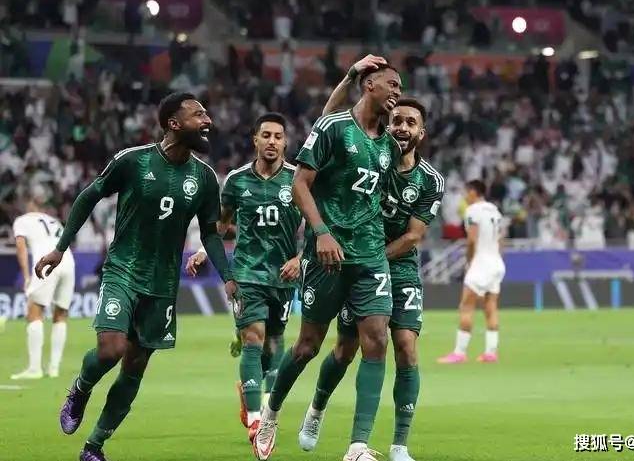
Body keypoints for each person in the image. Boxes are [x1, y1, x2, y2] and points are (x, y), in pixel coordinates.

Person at [34, 92, 234, 461]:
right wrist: (61, 247)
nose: (208, 120)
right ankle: (81, 388)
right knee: (112, 349)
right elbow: (89, 196)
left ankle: (94, 447)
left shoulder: (205, 178)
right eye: (198, 114)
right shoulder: (134, 160)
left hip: (163, 285)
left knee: (135, 367)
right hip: (123, 271)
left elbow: (210, 232)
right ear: (174, 123)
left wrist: (228, 277)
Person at [252, 60, 403, 461]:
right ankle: (272, 410)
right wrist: (320, 233)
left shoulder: (389, 145)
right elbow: (300, 183)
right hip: (327, 256)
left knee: (376, 341)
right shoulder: (335, 127)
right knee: (307, 347)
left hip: (369, 255)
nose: (397, 92)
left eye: (400, 88)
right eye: (391, 84)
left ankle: (357, 446)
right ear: (369, 85)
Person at [296, 57, 444, 461]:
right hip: (355, 258)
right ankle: (316, 409)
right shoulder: (370, 149)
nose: (403, 127)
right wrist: (349, 76)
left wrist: (372, 257)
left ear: (421, 133)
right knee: (345, 350)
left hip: (395, 263)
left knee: (406, 347)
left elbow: (413, 236)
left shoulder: (430, 181)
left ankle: (398, 445)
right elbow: (327, 122)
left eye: (411, 123)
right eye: (398, 121)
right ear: (388, 123)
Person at [185, 112, 302, 442]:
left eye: (278, 136)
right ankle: (256, 419)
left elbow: (317, 224)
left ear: (285, 143)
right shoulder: (236, 180)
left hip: (283, 275)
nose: (272, 141)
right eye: (266, 135)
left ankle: (250, 395)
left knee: (274, 343)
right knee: (254, 339)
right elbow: (221, 224)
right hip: (247, 273)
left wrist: (300, 259)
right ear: (255, 140)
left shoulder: (298, 179)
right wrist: (203, 251)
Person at [438, 180, 505, 364]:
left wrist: (470, 260)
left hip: (481, 263)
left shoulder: (473, 211)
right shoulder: (494, 210)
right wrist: (497, 258)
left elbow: (472, 239)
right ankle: (491, 353)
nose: (465, 196)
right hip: (496, 262)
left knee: (466, 306)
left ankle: (459, 353)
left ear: (474, 192)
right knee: (491, 307)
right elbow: (501, 239)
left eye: (466, 192)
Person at [11, 196, 75, 379]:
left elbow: (21, 248)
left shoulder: (22, 220)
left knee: (34, 311)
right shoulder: (54, 221)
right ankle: (54, 369)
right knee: (61, 314)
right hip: (67, 261)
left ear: (29, 206)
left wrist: (26, 276)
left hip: (46, 260)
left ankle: (34, 369)